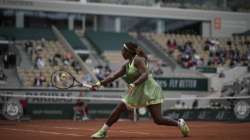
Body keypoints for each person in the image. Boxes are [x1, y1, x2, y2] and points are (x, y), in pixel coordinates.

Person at [90, 42, 190, 139]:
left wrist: (134, 83)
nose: (121, 53)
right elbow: (114, 76)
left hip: (150, 89)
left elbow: (145, 74)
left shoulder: (138, 60)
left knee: (158, 119)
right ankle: (103, 131)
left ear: (128, 52)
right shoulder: (126, 65)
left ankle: (179, 123)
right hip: (138, 90)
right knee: (121, 108)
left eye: (123, 51)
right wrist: (99, 83)